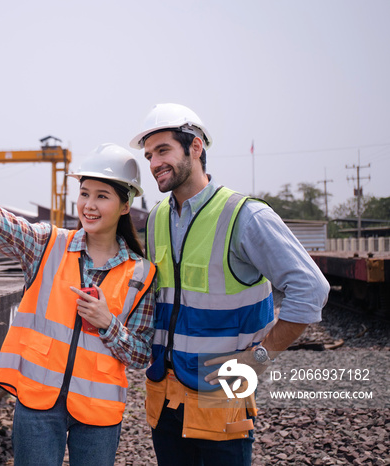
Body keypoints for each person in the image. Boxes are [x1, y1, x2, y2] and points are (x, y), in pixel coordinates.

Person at [0, 143, 157, 466]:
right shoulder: (48, 245)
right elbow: (2, 225)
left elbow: (141, 353)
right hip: (39, 402)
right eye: (84, 193)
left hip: (98, 412)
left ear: (125, 205)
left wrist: (109, 324)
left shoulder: (141, 274)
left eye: (102, 196)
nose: (89, 205)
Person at [129, 103, 330, 466]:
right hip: (165, 398)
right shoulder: (158, 217)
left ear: (195, 148)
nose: (154, 162)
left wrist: (259, 358)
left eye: (163, 150)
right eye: (148, 155)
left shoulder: (244, 215)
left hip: (222, 402)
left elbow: (311, 288)